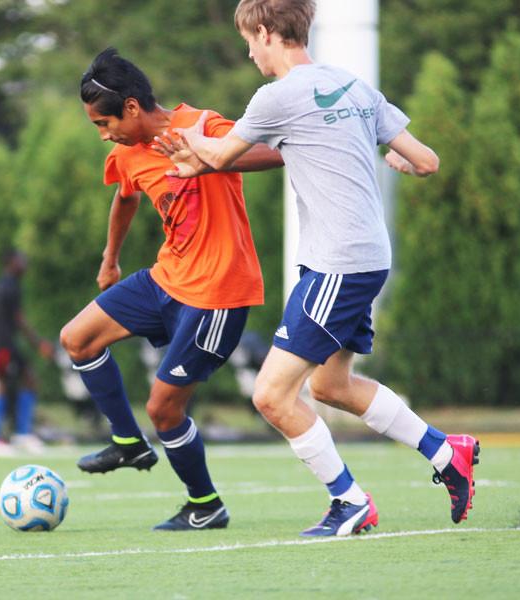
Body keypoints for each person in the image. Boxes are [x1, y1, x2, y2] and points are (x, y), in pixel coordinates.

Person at [154, 0, 480, 537]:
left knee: (271, 395)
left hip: (337, 264)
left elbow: (219, 156)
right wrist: (396, 158)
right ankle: (446, 452)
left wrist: (185, 141)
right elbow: (426, 161)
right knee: (331, 386)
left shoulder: (277, 95)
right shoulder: (353, 86)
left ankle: (349, 502)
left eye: (249, 41)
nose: (250, 52)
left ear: (265, 31)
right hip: (364, 258)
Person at [59, 48, 283, 531]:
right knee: (77, 338)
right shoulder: (125, 154)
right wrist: (110, 258)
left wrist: (209, 157)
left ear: (132, 108)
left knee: (163, 408)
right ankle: (127, 442)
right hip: (166, 279)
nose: (104, 135)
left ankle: (205, 505)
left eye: (104, 123)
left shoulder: (203, 125)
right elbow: (124, 198)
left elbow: (275, 153)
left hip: (217, 292)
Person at [0, 249, 54, 457]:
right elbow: (19, 319)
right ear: (11, 263)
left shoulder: (10, 284)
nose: (25, 263)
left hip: (8, 343)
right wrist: (39, 344)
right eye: (21, 260)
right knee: (1, 385)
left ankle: (23, 433)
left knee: (29, 379)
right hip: (2, 345)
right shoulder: (8, 286)